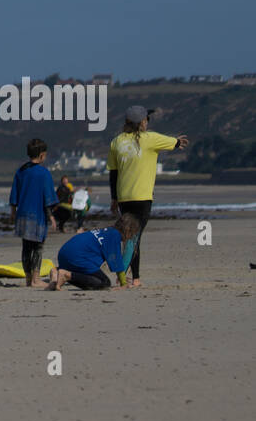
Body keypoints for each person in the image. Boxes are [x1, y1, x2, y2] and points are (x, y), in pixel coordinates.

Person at [108, 106, 189, 284]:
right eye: (147, 119)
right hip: (142, 197)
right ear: (143, 122)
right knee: (133, 237)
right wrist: (178, 141)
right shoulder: (150, 138)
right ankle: (121, 277)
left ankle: (135, 278)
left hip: (123, 197)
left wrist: (114, 198)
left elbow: (113, 174)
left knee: (132, 236)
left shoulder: (116, 142)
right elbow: (175, 143)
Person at [9, 139, 59, 286]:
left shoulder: (21, 171)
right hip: (37, 216)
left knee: (26, 247)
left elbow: (14, 194)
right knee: (38, 247)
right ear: (42, 155)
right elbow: (47, 197)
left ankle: (28, 279)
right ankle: (36, 280)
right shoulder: (44, 173)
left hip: (22, 215)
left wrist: (13, 211)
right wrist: (51, 216)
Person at [48, 213, 141, 291]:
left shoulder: (107, 231)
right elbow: (116, 260)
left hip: (65, 253)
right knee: (104, 283)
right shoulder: (114, 236)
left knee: (85, 274)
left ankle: (57, 272)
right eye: (132, 235)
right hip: (78, 256)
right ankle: (66, 275)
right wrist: (123, 283)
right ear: (128, 231)